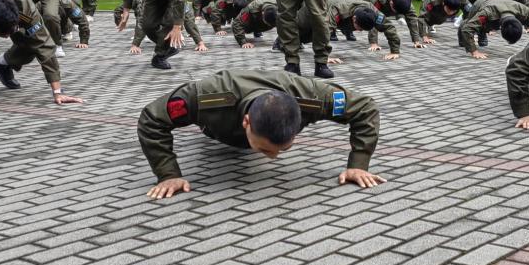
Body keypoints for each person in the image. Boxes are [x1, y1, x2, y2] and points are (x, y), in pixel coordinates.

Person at [137, 70, 383, 198]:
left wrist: (358, 164)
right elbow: (152, 118)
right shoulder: (206, 97)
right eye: (265, 149)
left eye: (284, 148)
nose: (273, 158)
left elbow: (365, 108)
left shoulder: (313, 98)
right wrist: (168, 174)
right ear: (246, 122)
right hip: (217, 126)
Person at [348, 0, 429, 46]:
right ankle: (346, 32)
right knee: (354, 22)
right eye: (397, 12)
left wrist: (416, 41)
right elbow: (372, 19)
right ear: (391, 3)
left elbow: (412, 19)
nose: (398, 14)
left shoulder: (405, 0)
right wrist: (374, 43)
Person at [460, 0, 529, 57]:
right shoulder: (487, 13)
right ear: (501, 29)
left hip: (501, 6)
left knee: (483, 36)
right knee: (469, 25)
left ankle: (482, 31)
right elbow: (467, 29)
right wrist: (474, 51)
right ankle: (477, 32)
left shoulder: (524, 11)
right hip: (481, 4)